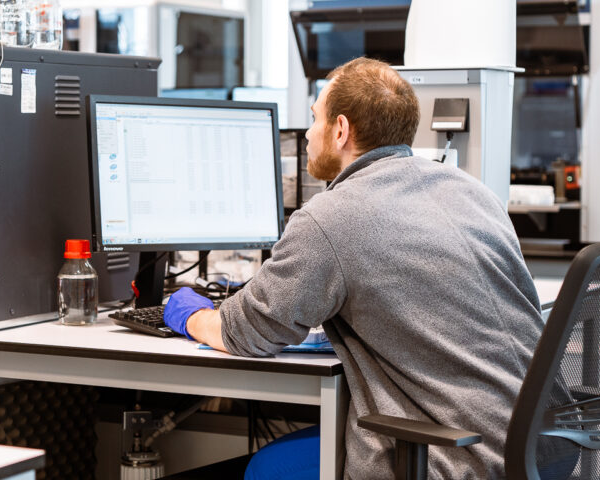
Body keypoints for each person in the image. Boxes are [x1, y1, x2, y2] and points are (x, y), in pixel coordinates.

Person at [163, 57, 544, 479]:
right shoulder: (472, 191)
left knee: (271, 469)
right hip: (540, 448)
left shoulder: (332, 216)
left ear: (340, 130)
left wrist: (188, 313)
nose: (308, 134)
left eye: (314, 119)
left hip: (450, 456)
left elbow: (248, 331)